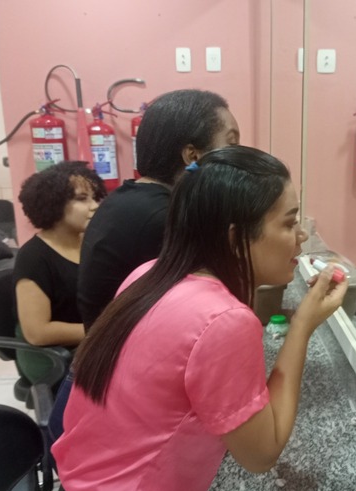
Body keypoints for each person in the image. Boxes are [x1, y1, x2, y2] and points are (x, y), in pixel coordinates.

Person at [31, 146, 348, 491]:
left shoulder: (150, 273)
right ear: (236, 237)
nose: (299, 237)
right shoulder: (224, 320)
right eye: (288, 222)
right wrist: (303, 327)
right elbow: (262, 453)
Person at [77, 88, 240, 331]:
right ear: (193, 156)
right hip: (124, 352)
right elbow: (211, 309)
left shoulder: (128, 199)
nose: (240, 157)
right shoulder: (162, 218)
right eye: (232, 144)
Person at [12, 161, 106, 384]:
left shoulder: (91, 244)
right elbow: (37, 333)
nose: (94, 206)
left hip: (89, 342)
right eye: (82, 199)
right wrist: (103, 331)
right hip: (52, 356)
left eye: (95, 198)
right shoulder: (33, 257)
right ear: (53, 204)